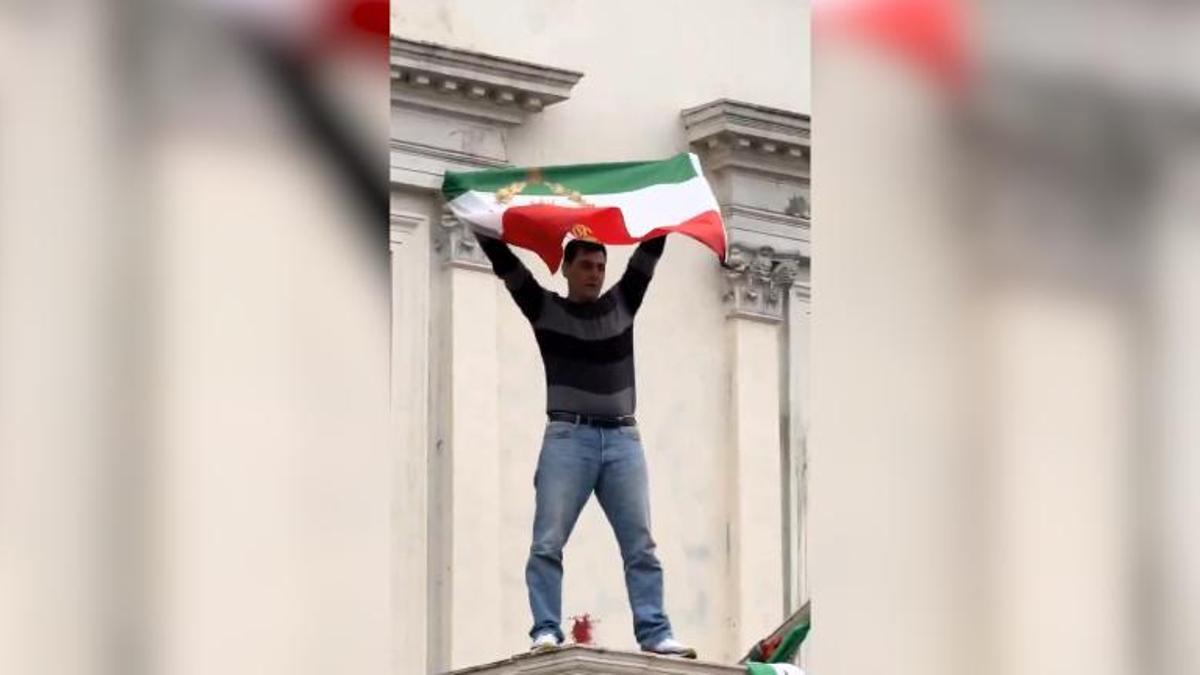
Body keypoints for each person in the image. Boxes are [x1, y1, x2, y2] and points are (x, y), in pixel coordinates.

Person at [476, 231, 697, 659]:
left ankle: (655, 632)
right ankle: (546, 630)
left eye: (600, 267)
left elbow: (649, 252)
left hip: (622, 439)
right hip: (568, 436)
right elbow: (508, 267)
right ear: (566, 268)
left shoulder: (623, 302)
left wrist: (669, 212)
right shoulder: (545, 309)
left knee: (641, 544)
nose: (594, 274)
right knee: (547, 542)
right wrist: (476, 218)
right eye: (585, 266)